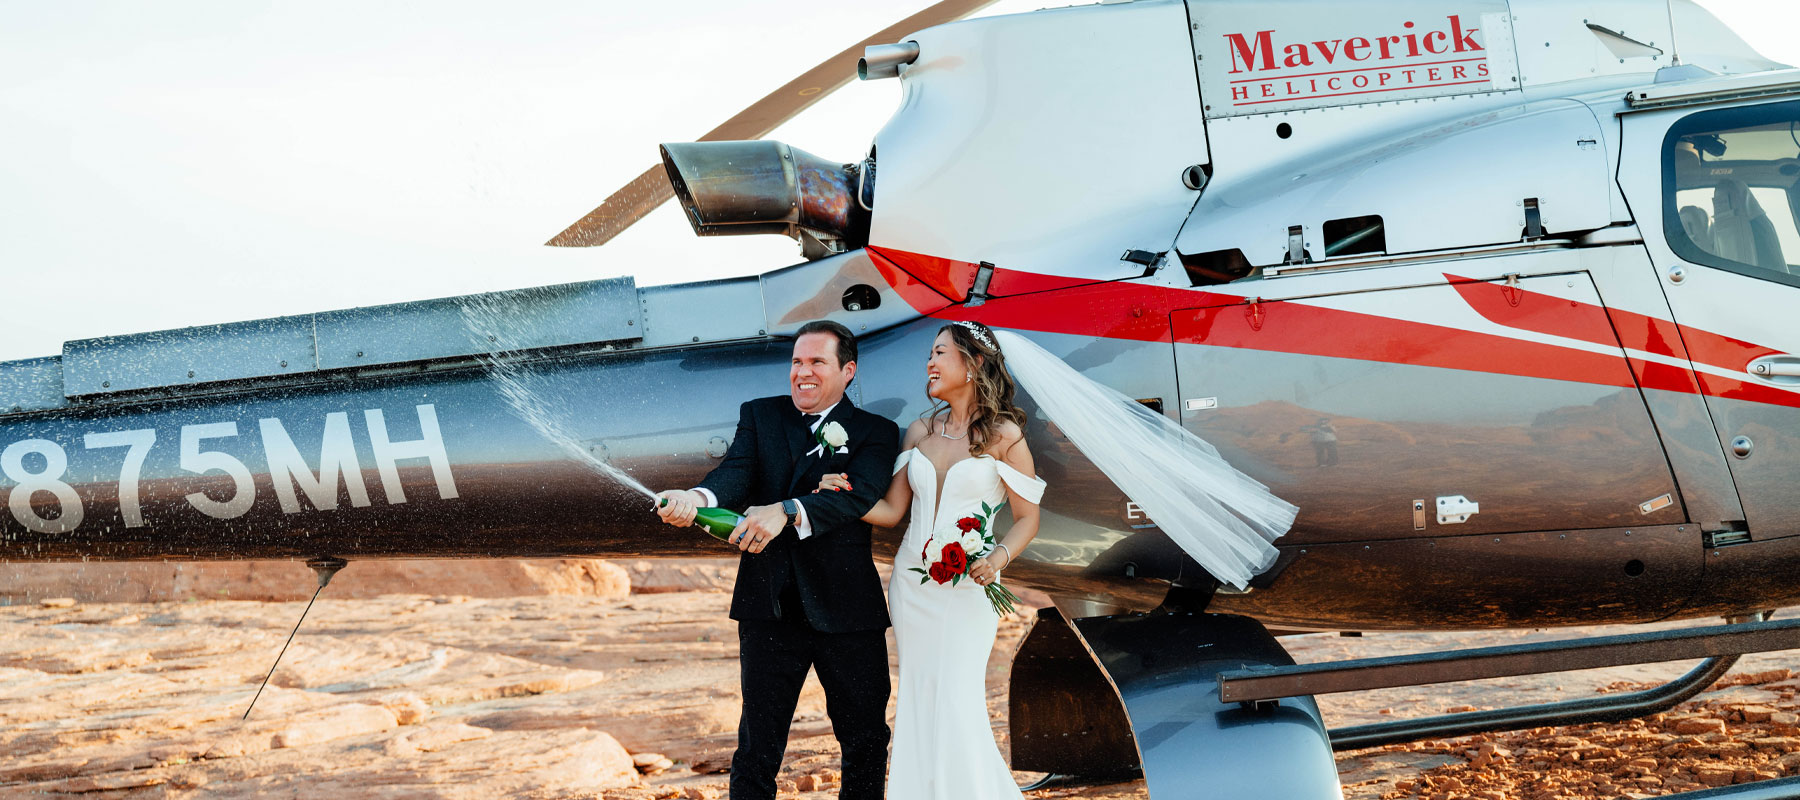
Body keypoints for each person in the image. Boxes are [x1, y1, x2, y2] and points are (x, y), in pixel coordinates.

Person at [819, 321, 1299, 799]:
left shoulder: (1006, 435)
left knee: (955, 698)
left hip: (971, 587)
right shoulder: (921, 430)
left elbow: (1028, 518)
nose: (930, 361)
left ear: (973, 364)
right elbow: (893, 512)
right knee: (920, 697)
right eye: (931, 352)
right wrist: (843, 496)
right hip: (912, 586)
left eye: (940, 352)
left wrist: (998, 556)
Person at [653, 319, 899, 800]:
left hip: (848, 611)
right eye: (796, 362)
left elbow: (860, 496)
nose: (802, 373)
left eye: (816, 362)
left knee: (866, 741)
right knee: (757, 747)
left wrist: (787, 510)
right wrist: (696, 499)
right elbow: (734, 474)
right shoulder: (761, 416)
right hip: (769, 607)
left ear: (847, 371)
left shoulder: (877, 432)